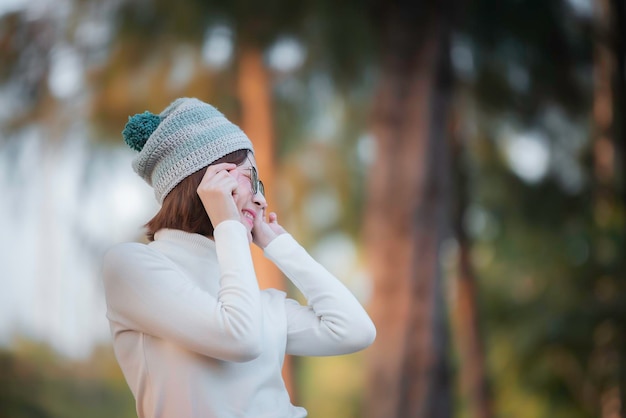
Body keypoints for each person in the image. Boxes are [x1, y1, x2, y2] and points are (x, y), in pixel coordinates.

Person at [102, 97, 376, 418]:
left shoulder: (251, 297)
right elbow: (240, 339)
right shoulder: (131, 266)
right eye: (251, 178)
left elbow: (355, 331)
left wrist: (281, 246)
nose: (262, 199)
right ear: (207, 180)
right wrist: (228, 224)